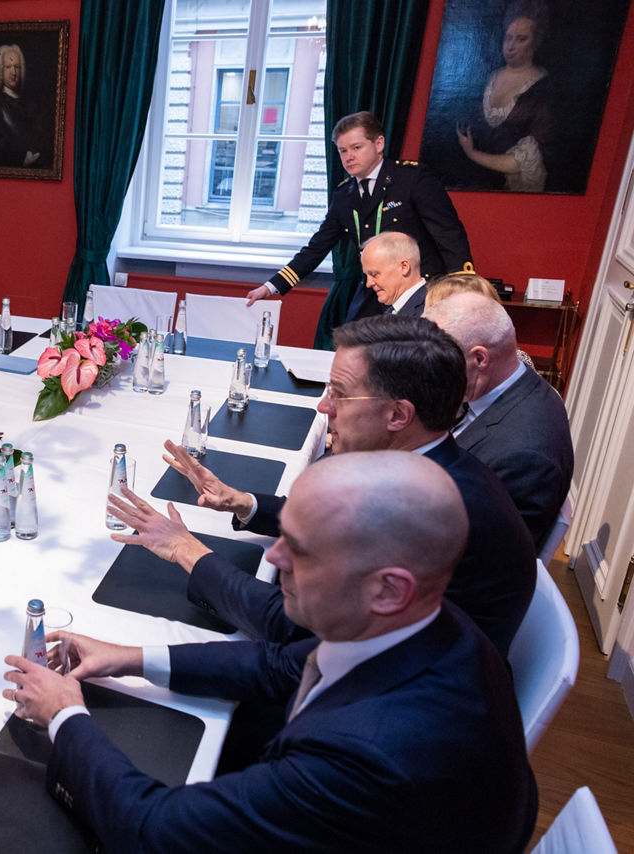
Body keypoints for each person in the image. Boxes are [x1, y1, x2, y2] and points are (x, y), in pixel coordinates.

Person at [4, 452, 538, 852]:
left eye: (300, 550)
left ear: (388, 588)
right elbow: (282, 664)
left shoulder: (364, 757)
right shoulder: (433, 621)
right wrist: (127, 657)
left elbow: (153, 831)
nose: (273, 556)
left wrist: (66, 717)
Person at [129, 315, 536, 659]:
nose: (323, 407)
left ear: (398, 414)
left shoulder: (418, 510)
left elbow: (286, 625)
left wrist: (187, 550)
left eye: (339, 394)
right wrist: (245, 504)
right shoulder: (430, 463)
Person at [247, 111, 473, 325]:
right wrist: (271, 286)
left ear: (378, 144)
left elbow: (449, 235)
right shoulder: (344, 195)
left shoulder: (412, 179)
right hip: (374, 292)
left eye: (356, 147)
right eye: (343, 151)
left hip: (420, 291)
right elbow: (316, 248)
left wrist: (462, 288)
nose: (349, 157)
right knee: (352, 349)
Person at [425, 291, 573, 551]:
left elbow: (484, 559)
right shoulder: (512, 382)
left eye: (440, 362)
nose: (432, 373)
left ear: (480, 358)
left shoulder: (525, 456)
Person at [455, 1, 552, 192]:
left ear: (536, 42)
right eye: (508, 38)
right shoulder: (488, 78)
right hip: (474, 181)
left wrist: (472, 153)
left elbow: (528, 159)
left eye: (521, 39)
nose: (511, 46)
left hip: (513, 191)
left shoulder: (543, 89)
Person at [0, 44, 47, 169]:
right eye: (8, 67)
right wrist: (20, 161)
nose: (13, 72)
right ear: (0, 70)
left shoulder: (28, 103)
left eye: (17, 67)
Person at [360, 231, 428, 316]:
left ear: (404, 267)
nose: (368, 284)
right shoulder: (393, 310)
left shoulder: (429, 311)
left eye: (374, 274)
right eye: (366, 276)